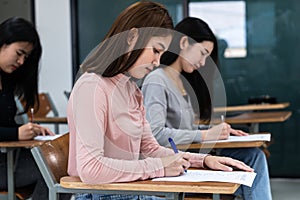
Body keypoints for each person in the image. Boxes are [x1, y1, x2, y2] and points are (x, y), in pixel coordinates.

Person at [67, 2, 254, 200]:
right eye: (156, 51)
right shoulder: (92, 87)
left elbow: (150, 149)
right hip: (101, 195)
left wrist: (203, 160)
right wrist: (159, 167)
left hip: (128, 191)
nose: (157, 62)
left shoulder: (131, 90)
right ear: (132, 38)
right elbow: (91, 169)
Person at [142, 17, 272, 200]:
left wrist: (214, 131)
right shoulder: (157, 81)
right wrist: (204, 136)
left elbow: (184, 129)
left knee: (253, 155)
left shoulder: (181, 81)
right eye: (202, 53)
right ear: (184, 42)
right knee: (252, 158)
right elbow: (154, 134)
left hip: (193, 152)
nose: (203, 63)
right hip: (176, 158)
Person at [0, 17, 57, 199]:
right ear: (2, 43)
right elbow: (10, 131)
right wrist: (16, 134)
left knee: (61, 166)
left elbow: (7, 124)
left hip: (10, 159)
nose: (22, 61)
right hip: (5, 163)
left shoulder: (7, 80)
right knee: (53, 170)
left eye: (26, 57)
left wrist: (32, 130)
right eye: (19, 53)